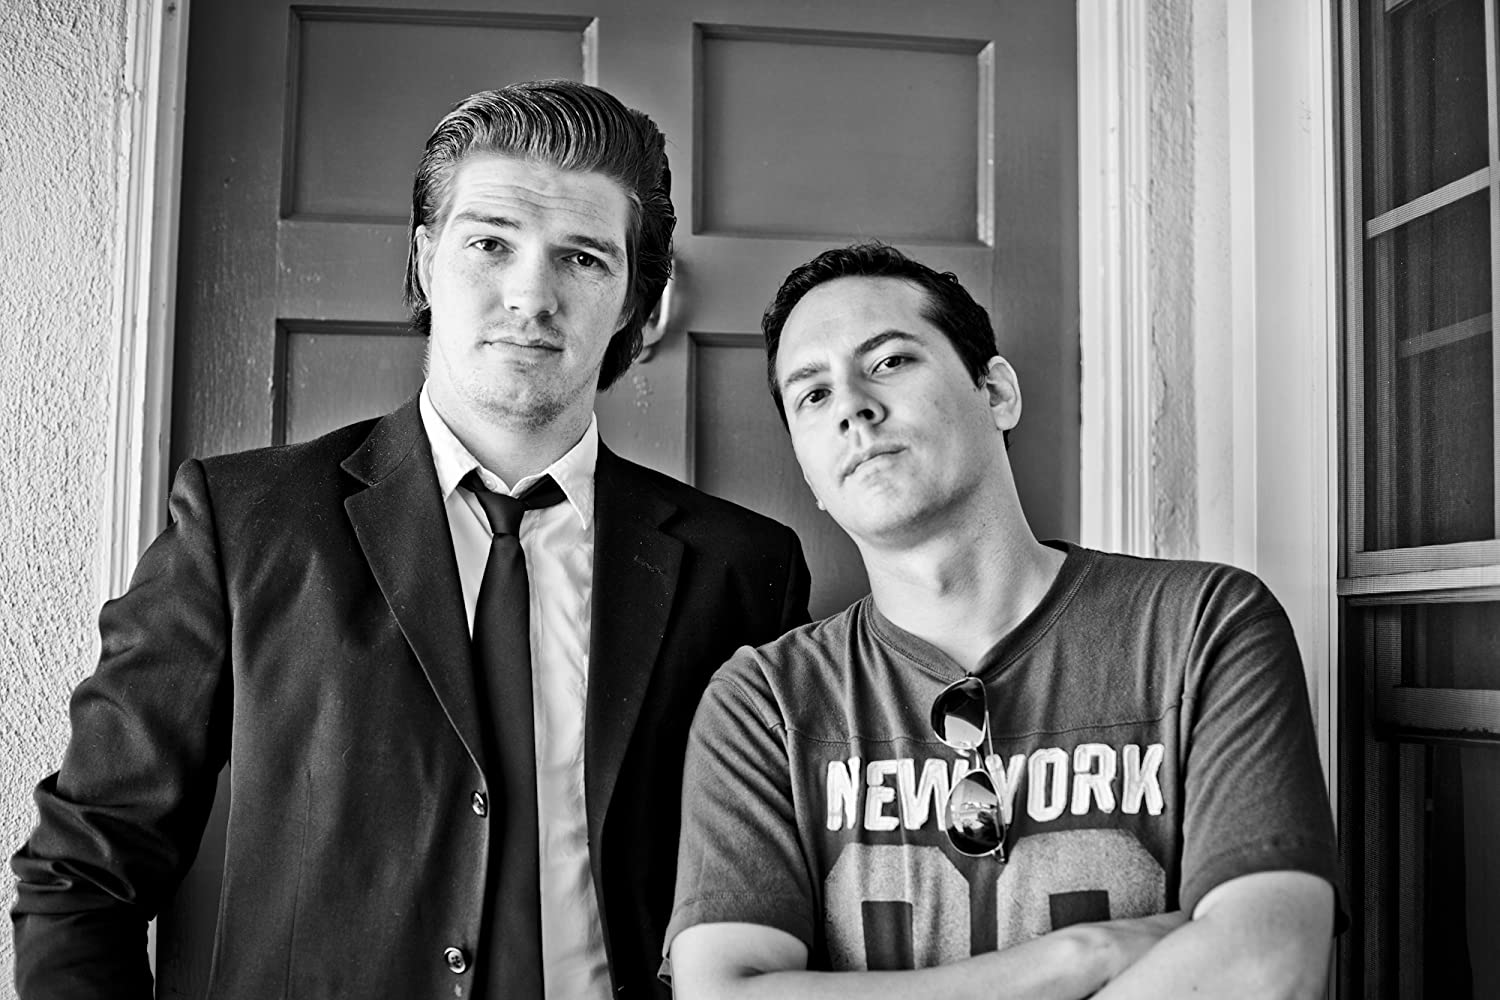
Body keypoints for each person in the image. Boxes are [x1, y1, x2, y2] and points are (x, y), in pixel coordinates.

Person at [12, 81, 810, 1000]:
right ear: (427, 260)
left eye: (583, 257)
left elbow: (783, 894)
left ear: (636, 297)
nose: (532, 295)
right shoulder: (243, 523)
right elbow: (82, 874)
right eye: (490, 243)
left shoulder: (743, 570)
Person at [664, 243, 1340, 999]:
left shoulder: (1202, 627)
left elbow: (1268, 968)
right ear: (808, 467)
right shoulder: (764, 704)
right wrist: (1076, 956)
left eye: (889, 361)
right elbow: (722, 993)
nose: (852, 405)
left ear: (997, 393)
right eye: (813, 395)